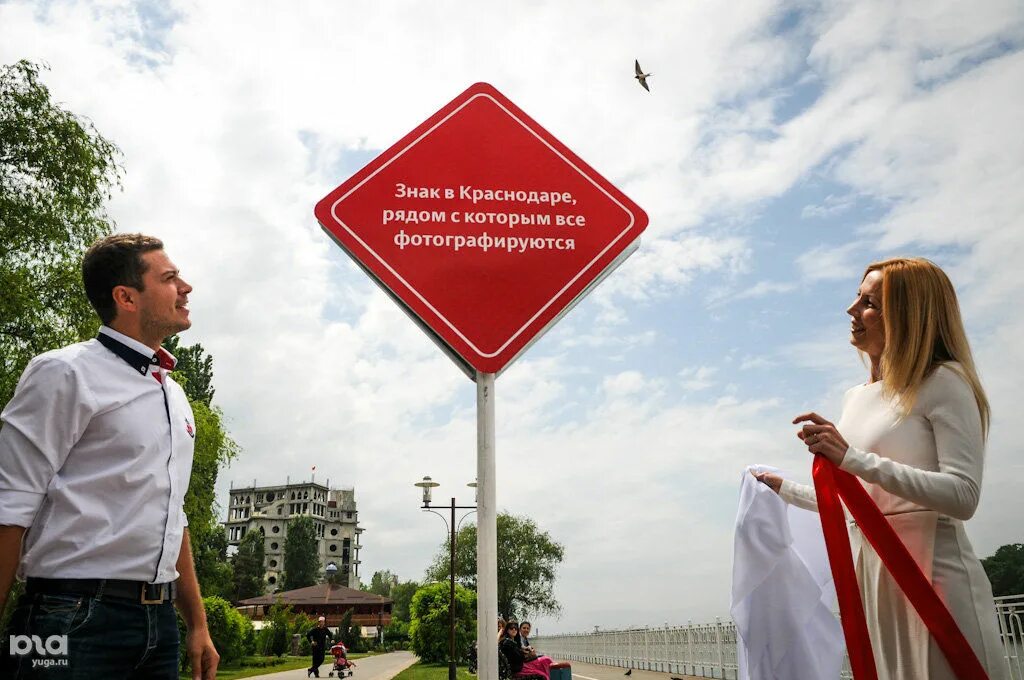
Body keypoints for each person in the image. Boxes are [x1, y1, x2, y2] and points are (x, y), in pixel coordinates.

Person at [756, 257, 1006, 680]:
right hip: (872, 577)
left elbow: (963, 496)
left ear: (908, 316)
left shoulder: (944, 380)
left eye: (869, 302)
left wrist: (850, 457)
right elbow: (861, 502)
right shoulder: (857, 397)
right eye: (857, 297)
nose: (851, 310)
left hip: (933, 577)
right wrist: (784, 489)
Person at [0, 233, 218, 679]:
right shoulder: (64, 372)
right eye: (170, 277)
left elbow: (173, 516)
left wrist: (198, 624)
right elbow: (10, 505)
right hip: (67, 614)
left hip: (159, 624)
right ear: (126, 297)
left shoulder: (172, 393)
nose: (186, 287)